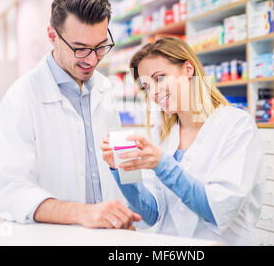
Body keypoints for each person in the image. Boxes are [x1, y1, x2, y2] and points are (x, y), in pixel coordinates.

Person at [0, 0, 141, 229]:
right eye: (80, 48)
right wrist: (83, 213)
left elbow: (122, 167)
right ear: (52, 35)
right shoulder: (21, 97)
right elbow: (10, 190)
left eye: (100, 46)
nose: (91, 60)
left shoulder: (105, 88)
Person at [100, 37, 265, 244]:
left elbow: (218, 210)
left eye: (159, 78)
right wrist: (122, 170)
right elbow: (151, 213)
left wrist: (161, 164)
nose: (154, 93)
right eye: (147, 88)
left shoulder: (237, 126)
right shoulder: (166, 134)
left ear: (188, 69)